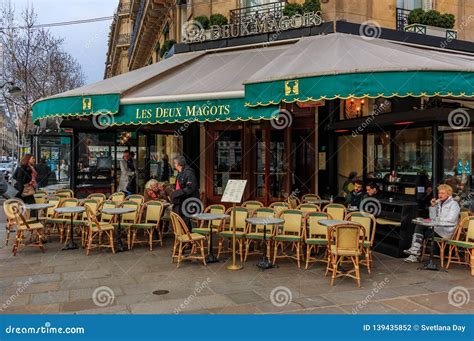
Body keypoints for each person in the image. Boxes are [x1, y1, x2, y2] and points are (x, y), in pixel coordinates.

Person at [404, 184, 460, 263]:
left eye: (443, 193)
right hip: (437, 229)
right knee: (419, 226)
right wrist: (433, 206)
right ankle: (414, 252)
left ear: (449, 194)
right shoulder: (439, 203)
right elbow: (432, 217)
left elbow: (451, 219)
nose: (440, 195)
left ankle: (414, 253)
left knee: (420, 229)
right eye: (439, 193)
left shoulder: (454, 204)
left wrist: (436, 220)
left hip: (445, 231)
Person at [170, 156, 199, 230]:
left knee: (185, 221)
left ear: (178, 164)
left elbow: (190, 188)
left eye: (174, 163)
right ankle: (182, 238)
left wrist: (177, 193)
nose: (174, 165)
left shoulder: (189, 173)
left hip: (187, 201)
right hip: (180, 201)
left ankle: (187, 238)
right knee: (178, 219)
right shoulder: (180, 173)